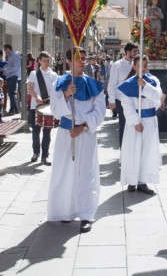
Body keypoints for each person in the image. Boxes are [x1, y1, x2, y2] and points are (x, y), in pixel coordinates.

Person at [47, 47, 106, 233]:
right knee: (65, 172)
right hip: (66, 134)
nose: (82, 61)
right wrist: (65, 95)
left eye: (84, 58)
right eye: (78, 58)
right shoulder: (60, 82)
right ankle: (65, 210)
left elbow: (100, 111)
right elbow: (55, 110)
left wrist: (83, 127)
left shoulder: (93, 84)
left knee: (86, 173)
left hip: (86, 134)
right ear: (68, 62)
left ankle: (86, 215)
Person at [118, 55, 162, 195]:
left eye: (145, 65)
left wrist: (146, 87)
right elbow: (126, 104)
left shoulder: (153, 81)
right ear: (134, 66)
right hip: (134, 123)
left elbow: (158, 99)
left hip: (150, 121)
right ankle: (132, 180)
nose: (142, 68)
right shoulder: (127, 84)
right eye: (139, 65)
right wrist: (136, 121)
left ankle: (143, 181)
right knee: (133, 151)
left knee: (147, 152)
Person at [27, 51, 58, 166]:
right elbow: (30, 89)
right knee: (35, 132)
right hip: (35, 106)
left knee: (47, 132)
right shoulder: (34, 74)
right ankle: (36, 152)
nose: (46, 63)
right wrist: (37, 96)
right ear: (39, 61)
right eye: (44, 60)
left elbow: (56, 91)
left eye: (48, 60)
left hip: (48, 107)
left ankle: (45, 155)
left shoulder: (54, 75)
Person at [108, 43, 139, 148]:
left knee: (134, 124)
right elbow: (112, 83)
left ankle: (132, 150)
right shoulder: (117, 65)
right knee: (124, 124)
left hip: (134, 99)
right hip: (121, 100)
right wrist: (111, 100)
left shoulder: (136, 65)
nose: (136, 54)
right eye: (134, 51)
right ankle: (123, 150)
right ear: (127, 52)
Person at [3, 44, 21, 115]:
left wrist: (7, 71)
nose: (4, 51)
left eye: (5, 49)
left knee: (12, 93)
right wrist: (5, 70)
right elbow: (10, 66)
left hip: (13, 76)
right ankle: (14, 109)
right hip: (10, 76)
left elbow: (15, 67)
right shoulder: (9, 56)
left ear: (8, 48)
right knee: (11, 94)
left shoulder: (15, 55)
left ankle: (13, 110)